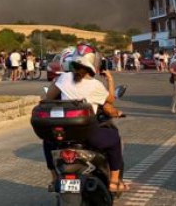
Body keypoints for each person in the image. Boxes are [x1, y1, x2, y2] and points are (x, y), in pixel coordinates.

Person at [43, 44, 130, 193]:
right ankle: (114, 181)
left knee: (47, 142)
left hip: (64, 135)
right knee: (115, 140)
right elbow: (110, 101)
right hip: (88, 135)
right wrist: (109, 79)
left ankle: (54, 178)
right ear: (93, 64)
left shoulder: (63, 78)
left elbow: (48, 97)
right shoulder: (95, 85)